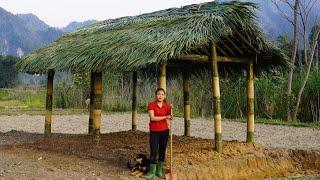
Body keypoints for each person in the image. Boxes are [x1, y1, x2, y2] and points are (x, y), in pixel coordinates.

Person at [145, 88, 172, 180]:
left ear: (164, 96)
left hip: (165, 131)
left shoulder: (167, 106)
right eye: (158, 94)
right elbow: (152, 118)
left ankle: (159, 171)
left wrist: (171, 116)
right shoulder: (151, 105)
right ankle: (151, 172)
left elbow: (171, 117)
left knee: (162, 151)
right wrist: (166, 116)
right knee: (154, 151)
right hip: (154, 131)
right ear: (156, 95)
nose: (160, 96)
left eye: (162, 94)